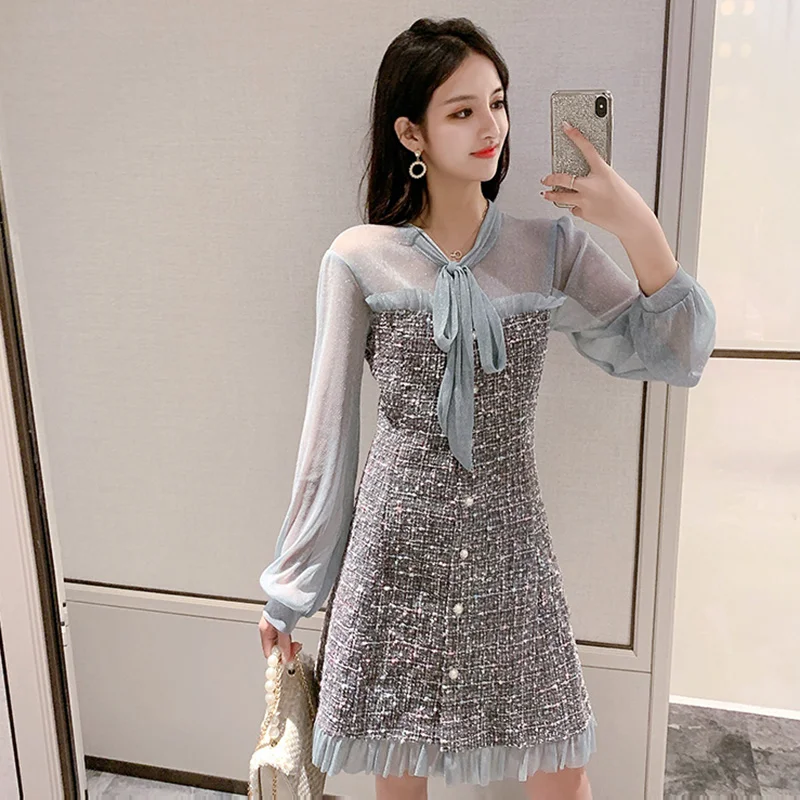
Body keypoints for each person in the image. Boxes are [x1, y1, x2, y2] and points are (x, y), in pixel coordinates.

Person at [257, 16, 716, 800]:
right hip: (395, 548)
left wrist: (630, 221)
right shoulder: (359, 257)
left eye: (497, 103)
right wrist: (290, 591)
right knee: (400, 769)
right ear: (412, 132)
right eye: (463, 110)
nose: (491, 127)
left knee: (561, 766)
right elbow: (328, 435)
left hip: (511, 546)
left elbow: (675, 349)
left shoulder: (550, 249)